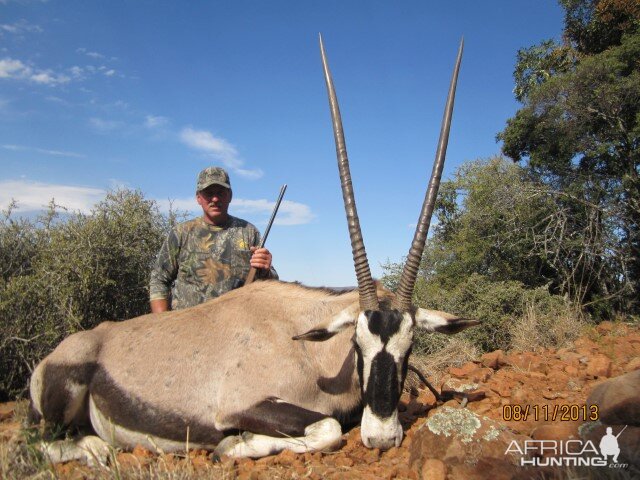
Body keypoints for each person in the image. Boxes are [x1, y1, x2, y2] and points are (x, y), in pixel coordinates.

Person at [149, 167, 277, 312]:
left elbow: (270, 283)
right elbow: (159, 280)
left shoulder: (249, 232)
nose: (215, 199)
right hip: (187, 329)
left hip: (236, 326)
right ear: (198, 197)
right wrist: (162, 323)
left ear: (230, 196)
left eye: (221, 193)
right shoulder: (181, 233)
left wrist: (266, 270)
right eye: (209, 193)